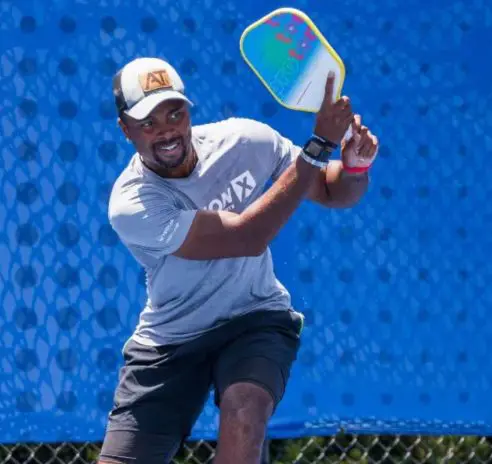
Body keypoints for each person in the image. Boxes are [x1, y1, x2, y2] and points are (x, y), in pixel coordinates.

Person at [97, 56, 379, 464]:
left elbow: (332, 191)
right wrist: (317, 146)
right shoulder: (132, 203)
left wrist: (355, 165)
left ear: (188, 111)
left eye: (174, 113)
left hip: (254, 316)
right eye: (148, 123)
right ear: (126, 130)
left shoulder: (245, 141)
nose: (167, 131)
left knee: (246, 412)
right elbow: (247, 236)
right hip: (171, 340)